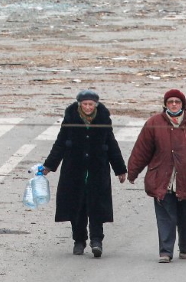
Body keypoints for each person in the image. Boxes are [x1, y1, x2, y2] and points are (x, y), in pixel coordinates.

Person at [126, 89, 186, 264]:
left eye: (177, 101)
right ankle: (165, 252)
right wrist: (133, 171)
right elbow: (141, 151)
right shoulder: (154, 123)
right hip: (162, 180)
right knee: (165, 218)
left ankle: (184, 247)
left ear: (183, 104)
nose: (174, 104)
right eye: (170, 102)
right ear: (165, 104)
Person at [42, 89, 127, 259]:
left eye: (91, 104)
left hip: (97, 170)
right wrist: (49, 165)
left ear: (96, 105)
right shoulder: (71, 119)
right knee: (77, 206)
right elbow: (60, 143)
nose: (88, 107)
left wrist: (120, 169)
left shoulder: (103, 119)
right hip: (74, 170)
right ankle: (79, 240)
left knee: (97, 206)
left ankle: (97, 241)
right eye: (85, 104)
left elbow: (111, 143)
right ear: (80, 104)